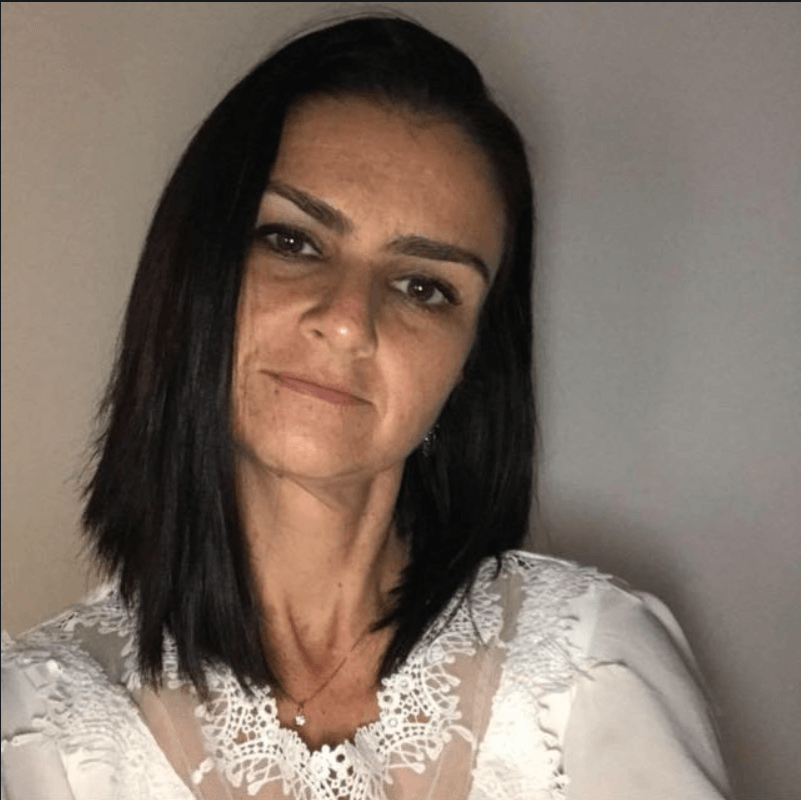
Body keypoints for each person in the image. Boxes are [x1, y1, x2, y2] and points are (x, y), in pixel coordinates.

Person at [1, 13, 731, 800]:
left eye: (423, 287)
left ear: (470, 362)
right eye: (293, 241)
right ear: (195, 272)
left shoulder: (594, 664)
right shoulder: (34, 723)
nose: (348, 320)